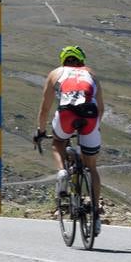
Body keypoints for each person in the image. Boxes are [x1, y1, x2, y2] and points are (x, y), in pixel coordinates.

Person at [35, 44, 104, 236]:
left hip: (66, 114)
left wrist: (41, 131)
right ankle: (96, 214)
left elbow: (45, 109)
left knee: (58, 143)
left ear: (63, 60)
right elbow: (101, 108)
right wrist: (95, 128)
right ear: (82, 60)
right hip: (90, 116)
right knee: (92, 167)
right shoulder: (91, 73)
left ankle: (62, 172)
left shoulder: (56, 73)